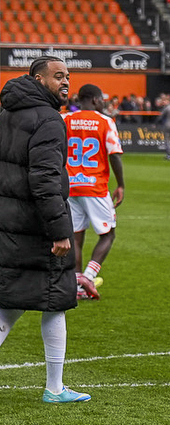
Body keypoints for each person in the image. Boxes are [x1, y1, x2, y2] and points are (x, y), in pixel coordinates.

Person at [0, 56, 90, 403]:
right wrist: (59, 230)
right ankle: (54, 388)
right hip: (36, 226)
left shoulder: (6, 113)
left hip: (10, 222)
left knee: (17, 302)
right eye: (58, 76)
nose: (66, 82)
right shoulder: (49, 120)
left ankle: (56, 387)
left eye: (68, 76)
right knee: (51, 300)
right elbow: (45, 179)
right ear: (38, 79)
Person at [63, 84, 125, 301]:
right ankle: (89, 276)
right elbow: (114, 154)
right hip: (95, 186)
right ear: (96, 100)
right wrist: (121, 184)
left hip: (70, 185)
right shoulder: (105, 121)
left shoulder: (65, 119)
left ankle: (77, 286)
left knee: (75, 236)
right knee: (108, 234)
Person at [156, 93, 170, 160]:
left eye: (164, 101)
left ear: (167, 101)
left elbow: (160, 117)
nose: (163, 102)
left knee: (167, 140)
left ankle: (169, 155)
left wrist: (156, 123)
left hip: (167, 126)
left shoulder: (166, 108)